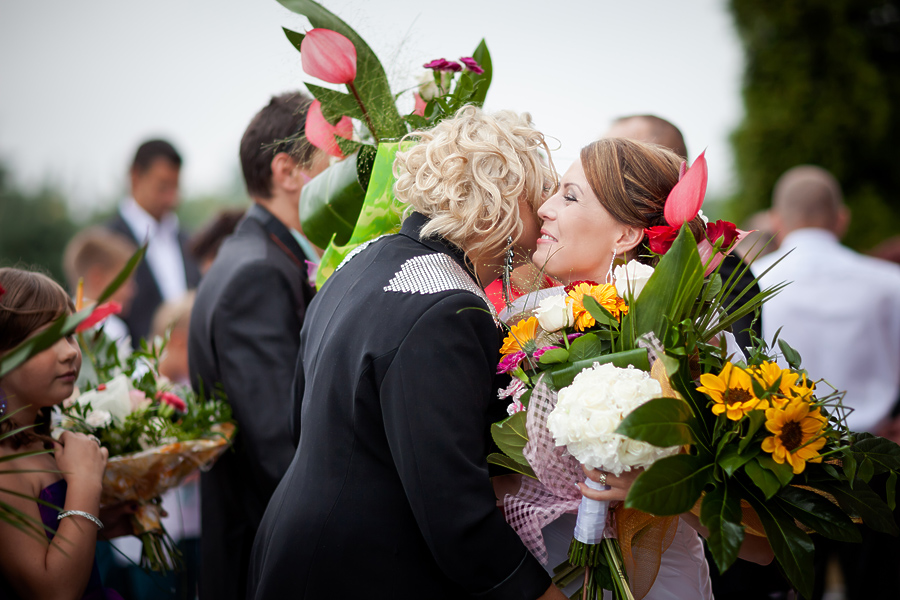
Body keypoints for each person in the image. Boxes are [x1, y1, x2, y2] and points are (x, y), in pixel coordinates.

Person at [247, 107, 565, 600]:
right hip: (359, 568)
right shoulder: (448, 308)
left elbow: (302, 421)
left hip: (292, 546)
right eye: (535, 198)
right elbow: (455, 511)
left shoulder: (359, 262)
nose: (545, 212)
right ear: (502, 204)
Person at [520, 138, 774, 599]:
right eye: (554, 191)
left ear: (625, 235)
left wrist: (660, 488)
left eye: (569, 195)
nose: (544, 208)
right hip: (545, 576)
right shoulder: (519, 328)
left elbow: (763, 547)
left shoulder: (699, 349)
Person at [188, 91, 329, 600]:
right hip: (268, 562)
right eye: (332, 161)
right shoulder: (258, 273)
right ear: (287, 171)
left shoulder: (258, 256)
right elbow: (279, 448)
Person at [752, 165, 900, 600]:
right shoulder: (890, 283)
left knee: (794, 588)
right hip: (876, 463)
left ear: (777, 222)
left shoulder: (755, 283)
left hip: (784, 466)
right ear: (842, 218)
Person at [0, 268, 132, 600]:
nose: (71, 351)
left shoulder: (37, 440)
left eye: (71, 334)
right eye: (47, 339)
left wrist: (96, 524)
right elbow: (55, 591)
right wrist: (86, 485)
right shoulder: (4, 464)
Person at [603, 114, 763, 353]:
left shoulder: (719, 271)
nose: (597, 176)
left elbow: (732, 370)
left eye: (613, 164)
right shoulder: (594, 259)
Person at [107, 139, 201, 347]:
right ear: (135, 177)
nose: (172, 199)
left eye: (175, 188)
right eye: (163, 187)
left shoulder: (190, 241)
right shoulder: (108, 242)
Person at [62, 226, 138, 350]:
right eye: (125, 281)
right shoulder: (111, 330)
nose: (132, 291)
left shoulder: (59, 323)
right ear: (97, 278)